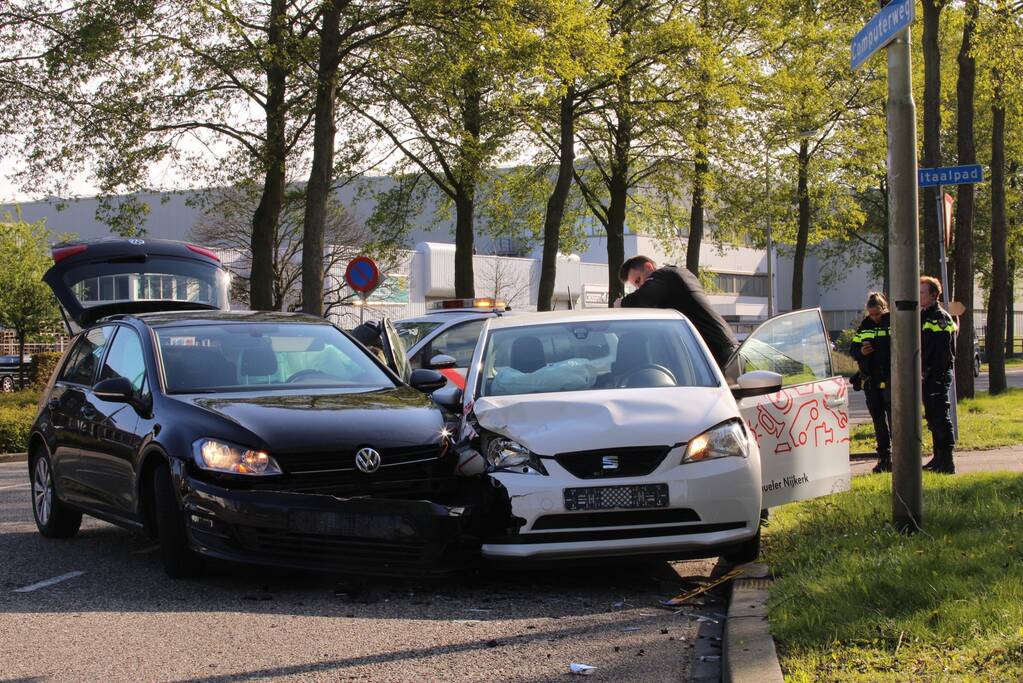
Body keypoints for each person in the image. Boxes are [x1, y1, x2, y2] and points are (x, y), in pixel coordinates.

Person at [616, 256, 739, 369]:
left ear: (649, 267)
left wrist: (620, 304)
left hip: (719, 352)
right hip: (722, 348)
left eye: (638, 280)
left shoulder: (664, 276)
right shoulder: (676, 277)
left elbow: (641, 299)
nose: (640, 287)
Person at [850, 293, 892, 473]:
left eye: (877, 313)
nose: (875, 317)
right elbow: (853, 351)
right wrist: (861, 351)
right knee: (878, 422)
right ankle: (884, 458)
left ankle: (900, 458)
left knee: (894, 421)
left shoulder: (892, 322)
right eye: (871, 314)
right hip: (871, 381)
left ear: (884, 308)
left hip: (890, 379)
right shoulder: (865, 325)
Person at [920, 275, 957, 474]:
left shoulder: (940, 318)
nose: (919, 296)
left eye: (923, 292)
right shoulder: (924, 316)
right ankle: (937, 458)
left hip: (937, 374)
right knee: (933, 417)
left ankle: (947, 461)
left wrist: (932, 373)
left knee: (941, 417)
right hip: (927, 375)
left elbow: (943, 353)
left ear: (934, 295)